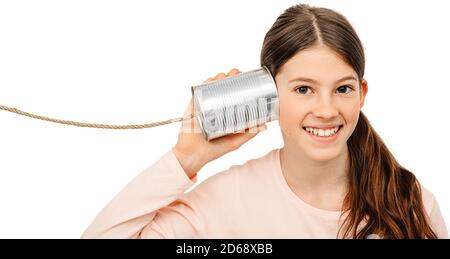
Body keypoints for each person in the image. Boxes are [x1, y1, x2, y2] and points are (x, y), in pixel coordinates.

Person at [82, 4, 448, 239]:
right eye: (304, 89)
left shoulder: (409, 204)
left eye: (342, 89)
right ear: (267, 94)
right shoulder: (229, 198)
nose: (326, 109)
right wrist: (185, 158)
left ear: (362, 93)